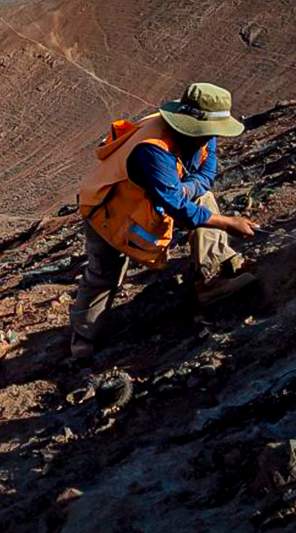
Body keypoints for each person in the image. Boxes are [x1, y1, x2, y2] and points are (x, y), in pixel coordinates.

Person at [70, 82, 259, 358]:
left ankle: (210, 281)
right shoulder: (153, 148)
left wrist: (185, 189)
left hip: (148, 204)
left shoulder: (206, 133)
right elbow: (177, 209)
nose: (213, 138)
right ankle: (83, 336)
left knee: (203, 200)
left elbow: (205, 175)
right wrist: (229, 223)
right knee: (104, 276)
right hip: (109, 211)